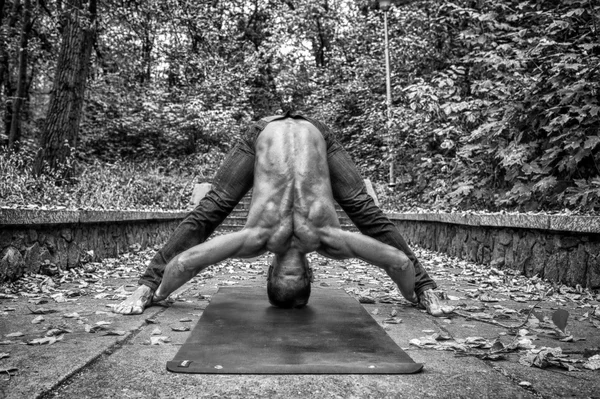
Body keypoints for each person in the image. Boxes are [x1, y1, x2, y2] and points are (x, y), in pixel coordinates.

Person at [113, 112, 450, 315]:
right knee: (366, 211)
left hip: (307, 133)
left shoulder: (326, 242)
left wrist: (409, 288)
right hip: (276, 132)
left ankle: (426, 291)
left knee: (211, 209)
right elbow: (185, 265)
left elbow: (399, 264)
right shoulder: (260, 242)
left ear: (310, 274)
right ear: (268, 271)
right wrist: (161, 291)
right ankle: (427, 292)